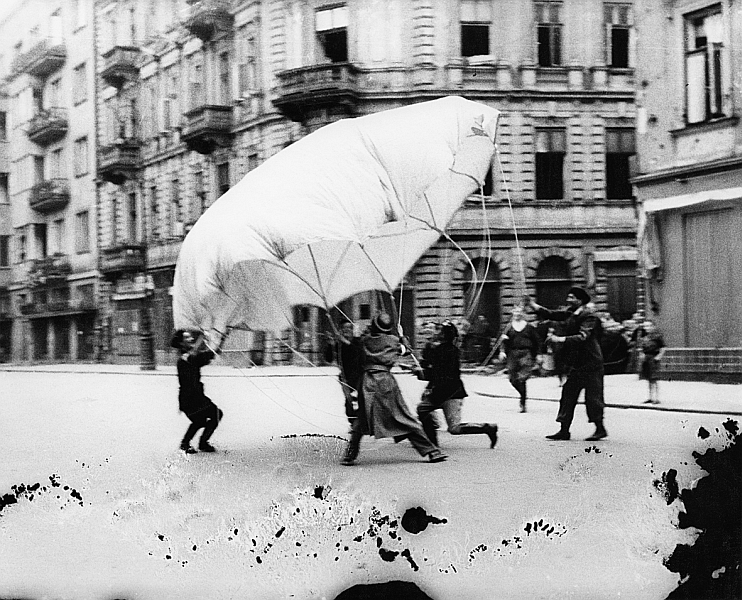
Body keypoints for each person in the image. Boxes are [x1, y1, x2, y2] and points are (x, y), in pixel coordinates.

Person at [341, 313, 447, 465]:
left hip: (367, 382)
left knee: (362, 418)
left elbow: (354, 350)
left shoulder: (365, 340)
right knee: (402, 415)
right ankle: (431, 451)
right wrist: (404, 340)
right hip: (385, 381)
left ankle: (349, 455)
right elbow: (407, 351)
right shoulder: (393, 341)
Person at [525, 287, 607, 441]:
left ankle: (600, 428)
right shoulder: (572, 312)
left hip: (592, 364)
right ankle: (564, 430)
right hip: (578, 364)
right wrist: (533, 306)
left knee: (593, 398)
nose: (568, 300)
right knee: (568, 395)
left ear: (580, 300)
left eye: (571, 297)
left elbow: (583, 337)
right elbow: (553, 314)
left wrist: (560, 339)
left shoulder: (589, 316)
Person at [416, 321, 499, 448]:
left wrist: (421, 373)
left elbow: (437, 373)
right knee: (429, 411)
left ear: (444, 335)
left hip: (448, 393)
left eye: (440, 331)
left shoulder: (442, 351)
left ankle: (432, 441)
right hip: (448, 391)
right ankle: (432, 438)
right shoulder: (448, 350)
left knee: (448, 424)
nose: (437, 333)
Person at [170, 329, 225, 454]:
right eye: (187, 338)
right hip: (190, 399)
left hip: (196, 397)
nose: (191, 339)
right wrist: (204, 337)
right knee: (212, 416)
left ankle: (192, 443)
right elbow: (196, 355)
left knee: (203, 419)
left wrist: (222, 340)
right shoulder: (184, 358)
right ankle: (198, 443)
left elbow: (211, 354)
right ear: (181, 343)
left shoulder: (190, 357)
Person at [499, 306, 540, 412]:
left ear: (523, 314)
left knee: (522, 378)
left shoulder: (529, 327)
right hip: (513, 353)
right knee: (512, 379)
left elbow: (537, 342)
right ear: (512, 313)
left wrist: (538, 355)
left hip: (526, 353)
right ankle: (523, 396)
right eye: (515, 312)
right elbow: (503, 341)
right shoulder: (508, 327)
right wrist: (502, 351)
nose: (517, 314)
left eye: (519, 312)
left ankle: (523, 403)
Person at [324, 320, 364, 427]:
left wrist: (345, 342)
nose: (347, 330)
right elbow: (328, 359)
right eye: (344, 328)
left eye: (349, 328)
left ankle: (361, 423)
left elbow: (357, 352)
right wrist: (330, 345)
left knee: (361, 400)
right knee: (349, 402)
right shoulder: (338, 344)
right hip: (345, 378)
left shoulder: (357, 341)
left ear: (352, 330)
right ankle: (354, 424)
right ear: (341, 330)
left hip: (359, 377)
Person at [638, 320, 666, 404]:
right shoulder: (644, 336)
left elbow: (663, 347)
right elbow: (641, 347)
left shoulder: (657, 336)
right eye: (645, 326)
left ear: (653, 326)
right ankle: (650, 397)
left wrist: (659, 356)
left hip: (653, 358)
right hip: (646, 358)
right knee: (648, 379)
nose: (647, 328)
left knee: (654, 378)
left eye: (649, 326)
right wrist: (641, 354)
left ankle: (656, 398)